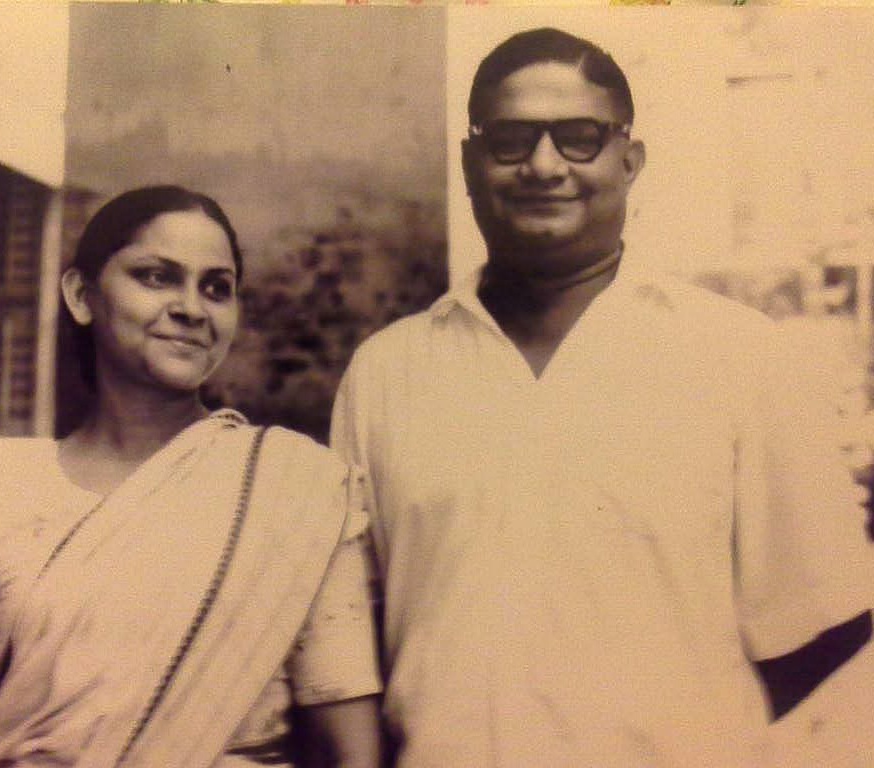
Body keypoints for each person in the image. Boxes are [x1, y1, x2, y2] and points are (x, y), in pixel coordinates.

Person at [331, 28, 872, 767]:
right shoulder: (386, 374)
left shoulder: (738, 355)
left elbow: (822, 623)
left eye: (579, 138)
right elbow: (344, 634)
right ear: (469, 163)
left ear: (630, 159)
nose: (543, 165)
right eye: (511, 140)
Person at [0, 185, 383, 768]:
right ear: (81, 295)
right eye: (157, 277)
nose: (191, 308)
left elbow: (351, 750)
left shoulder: (295, 491)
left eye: (216, 288)